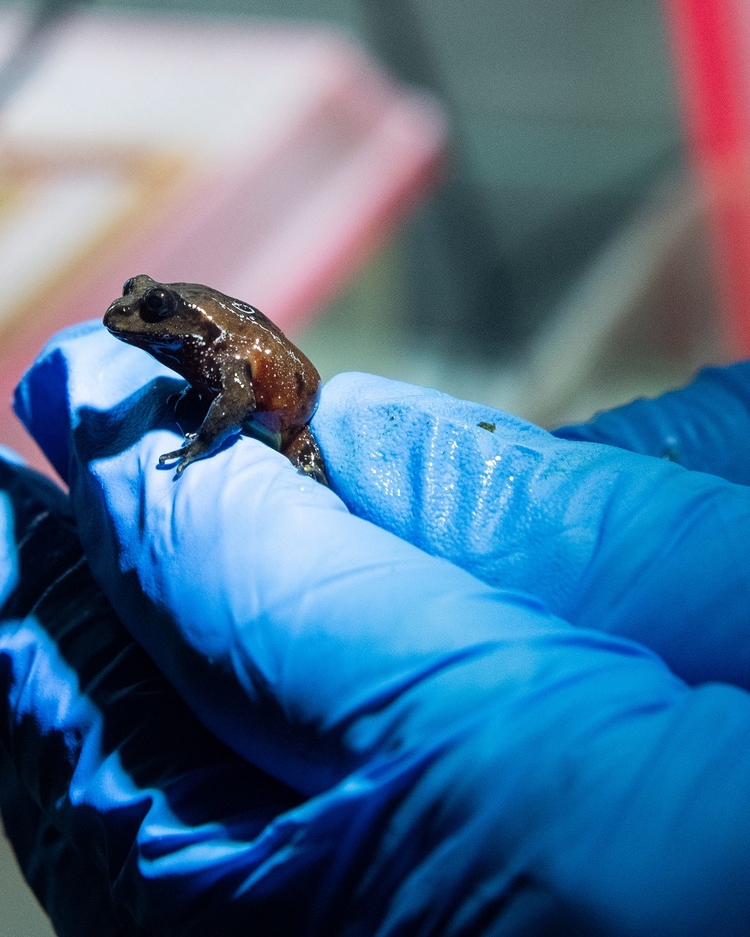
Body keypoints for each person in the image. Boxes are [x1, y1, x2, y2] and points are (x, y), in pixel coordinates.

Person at [2, 320, 750, 936]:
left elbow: (234, 389)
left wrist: (200, 445)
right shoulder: (182, 344)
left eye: (153, 307)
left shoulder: (207, 344)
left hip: (285, 412)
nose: (134, 317)